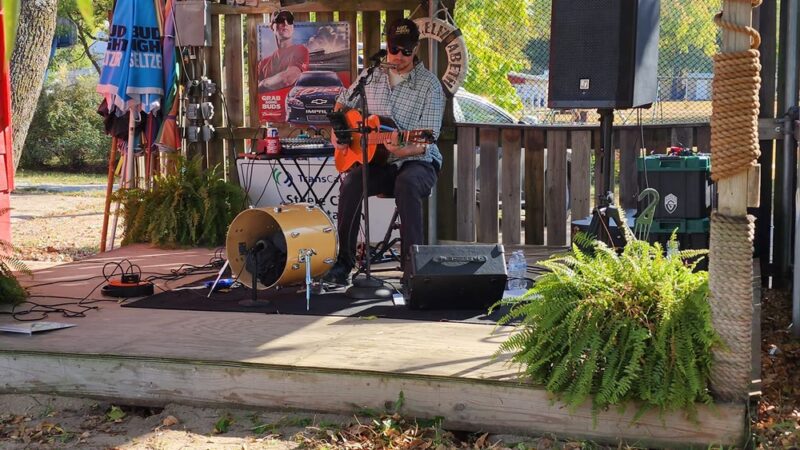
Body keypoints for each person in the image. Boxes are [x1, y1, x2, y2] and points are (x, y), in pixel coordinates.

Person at [324, 18, 445, 288]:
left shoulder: (430, 85)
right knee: (352, 182)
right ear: (386, 46)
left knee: (407, 183)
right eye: (394, 49)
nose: (399, 56)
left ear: (416, 49)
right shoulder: (370, 75)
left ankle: (413, 270)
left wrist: (405, 148)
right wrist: (338, 133)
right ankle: (344, 262)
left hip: (418, 161)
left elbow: (427, 140)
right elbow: (342, 103)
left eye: (406, 51)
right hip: (379, 161)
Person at [257, 11, 309, 92]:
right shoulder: (263, 64)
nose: (286, 23)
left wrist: (263, 83)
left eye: (289, 20)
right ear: (272, 27)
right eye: (280, 20)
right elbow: (256, 89)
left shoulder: (300, 50)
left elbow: (287, 79)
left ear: (293, 27)